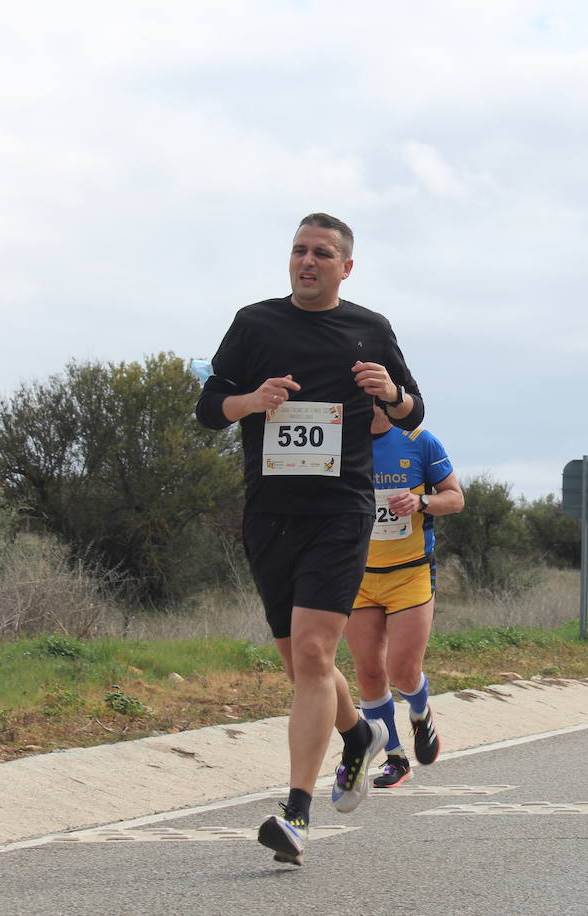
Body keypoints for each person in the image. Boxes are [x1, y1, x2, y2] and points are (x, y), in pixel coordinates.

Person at [196, 213, 424, 866]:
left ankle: (296, 813)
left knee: (320, 654)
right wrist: (250, 401)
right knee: (303, 667)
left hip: (340, 513)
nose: (307, 260)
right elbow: (208, 406)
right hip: (269, 514)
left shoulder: (368, 329)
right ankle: (358, 738)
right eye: (298, 250)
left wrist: (393, 394)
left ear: (345, 266)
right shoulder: (255, 324)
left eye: (322, 252)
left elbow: (414, 408)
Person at [345, 406, 464, 788]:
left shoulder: (419, 441)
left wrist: (421, 502)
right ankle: (395, 757)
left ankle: (420, 712)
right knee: (367, 670)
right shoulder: (343, 442)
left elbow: (455, 498)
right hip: (358, 575)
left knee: (402, 671)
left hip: (409, 573)